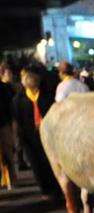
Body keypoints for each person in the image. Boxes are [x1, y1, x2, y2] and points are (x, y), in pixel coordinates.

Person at [11, 67, 60, 200]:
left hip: (48, 134)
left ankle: (56, 189)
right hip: (30, 136)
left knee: (50, 162)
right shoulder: (19, 99)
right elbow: (16, 120)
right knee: (36, 164)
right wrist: (18, 137)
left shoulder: (47, 96)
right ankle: (46, 190)